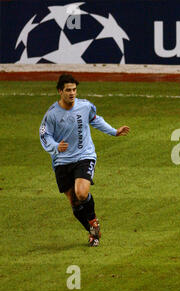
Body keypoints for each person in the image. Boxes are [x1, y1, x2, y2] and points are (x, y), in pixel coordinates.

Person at [39, 74, 130, 247]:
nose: (72, 93)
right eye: (68, 90)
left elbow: (95, 119)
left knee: (81, 193)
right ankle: (92, 233)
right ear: (60, 91)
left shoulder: (85, 106)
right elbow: (44, 135)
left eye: (74, 89)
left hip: (84, 156)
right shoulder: (51, 114)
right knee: (74, 202)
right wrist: (55, 146)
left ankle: (94, 222)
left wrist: (114, 131)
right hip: (61, 161)